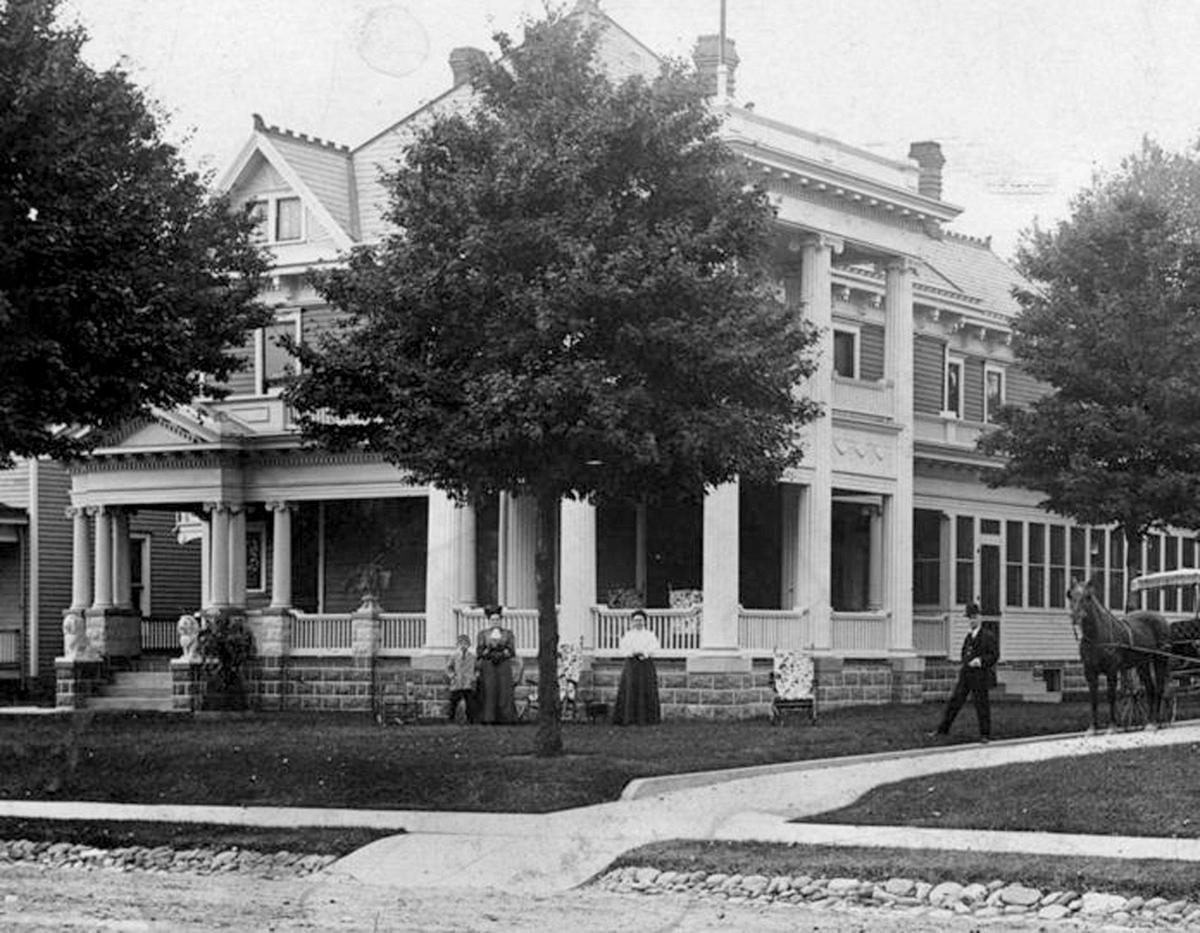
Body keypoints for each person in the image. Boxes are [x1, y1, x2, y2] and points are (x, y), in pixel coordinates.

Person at [932, 602, 998, 742]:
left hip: (980, 675)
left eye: (974, 617)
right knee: (955, 701)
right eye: (969, 618)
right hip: (967, 674)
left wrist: (980, 661)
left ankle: (985, 734)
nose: (971, 621)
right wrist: (967, 661)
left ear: (980, 618)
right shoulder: (969, 637)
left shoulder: (987, 636)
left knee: (981, 705)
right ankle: (943, 729)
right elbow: (964, 653)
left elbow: (994, 655)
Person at [612, 608, 662, 725]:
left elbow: (654, 648)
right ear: (632, 622)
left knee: (646, 689)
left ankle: (647, 718)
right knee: (630, 689)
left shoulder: (649, 635)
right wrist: (632, 652)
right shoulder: (628, 635)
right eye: (635, 620)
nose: (638, 623)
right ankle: (628, 718)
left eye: (640, 620)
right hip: (631, 665)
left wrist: (644, 652)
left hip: (645, 665)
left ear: (644, 621)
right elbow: (623, 649)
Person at [475, 606, 518, 724]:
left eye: (497, 619)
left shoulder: (508, 634)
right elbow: (479, 651)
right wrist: (488, 650)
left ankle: (506, 717)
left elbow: (512, 650)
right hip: (488, 665)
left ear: (501, 620)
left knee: (504, 690)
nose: (495, 622)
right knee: (489, 690)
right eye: (493, 620)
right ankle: (488, 717)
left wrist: (503, 652)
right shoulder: (483, 634)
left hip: (503, 664)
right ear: (489, 621)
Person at [446, 634, 478, 723]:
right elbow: (449, 667)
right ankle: (451, 718)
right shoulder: (454, 656)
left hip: (468, 683)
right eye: (461, 643)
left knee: (470, 703)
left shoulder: (473, 657)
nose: (463, 646)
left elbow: (477, 668)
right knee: (453, 702)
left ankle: (471, 719)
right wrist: (452, 676)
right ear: (458, 645)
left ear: (469, 645)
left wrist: (474, 677)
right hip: (457, 682)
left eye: (465, 643)